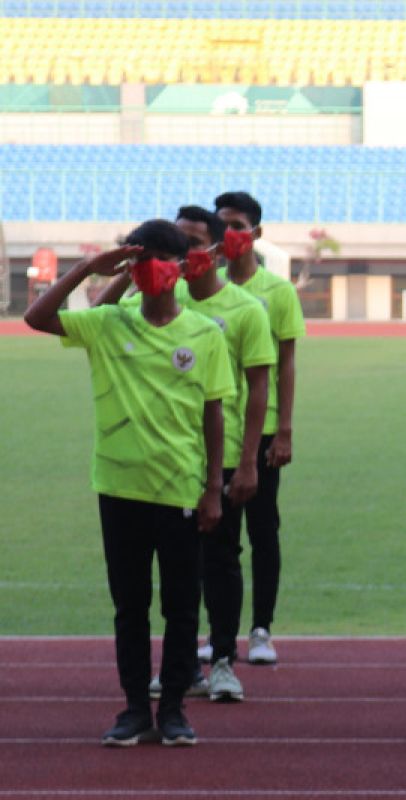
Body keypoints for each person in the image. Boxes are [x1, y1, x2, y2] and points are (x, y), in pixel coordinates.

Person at [24, 220, 234, 746]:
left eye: (163, 260)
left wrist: (213, 489)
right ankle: (136, 708)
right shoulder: (107, 323)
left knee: (183, 606)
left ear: (182, 268)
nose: (152, 271)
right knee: (130, 605)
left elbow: (214, 414)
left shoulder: (205, 334)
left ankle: (175, 710)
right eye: (142, 261)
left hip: (182, 489)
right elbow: (37, 316)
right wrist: (89, 270)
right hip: (120, 489)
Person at [95, 206, 276, 702]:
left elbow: (256, 386)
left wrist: (246, 462)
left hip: (214, 459)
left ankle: (222, 658)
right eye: (184, 242)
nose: (189, 252)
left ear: (211, 251)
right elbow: (94, 316)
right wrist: (122, 274)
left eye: (196, 242)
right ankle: (185, 670)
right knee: (178, 580)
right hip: (158, 464)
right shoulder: (143, 308)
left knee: (220, 560)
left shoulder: (242, 311)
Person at [213, 191, 306, 665]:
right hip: (214, 432)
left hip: (262, 430)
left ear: (256, 233)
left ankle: (262, 629)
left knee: (263, 528)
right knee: (218, 534)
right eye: (222, 224)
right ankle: (220, 631)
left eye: (237, 225)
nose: (230, 234)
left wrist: (284, 428)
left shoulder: (277, 292)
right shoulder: (201, 290)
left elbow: (286, 363)